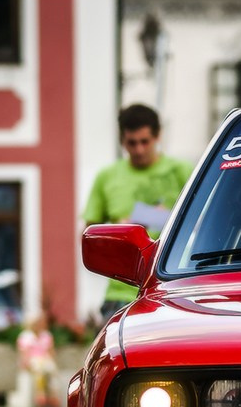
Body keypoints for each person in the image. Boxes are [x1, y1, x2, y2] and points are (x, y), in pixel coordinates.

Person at [81, 103, 194, 320]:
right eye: (132, 143)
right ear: (122, 140)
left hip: (174, 288)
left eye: (145, 142)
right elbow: (89, 235)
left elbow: (203, 224)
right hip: (120, 293)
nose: (139, 150)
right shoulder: (107, 177)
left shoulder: (183, 172)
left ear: (158, 136)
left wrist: (157, 218)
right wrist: (118, 230)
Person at [16, 310, 59, 407]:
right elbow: (24, 353)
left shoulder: (46, 335)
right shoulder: (25, 336)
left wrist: (53, 361)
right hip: (32, 359)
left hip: (45, 358)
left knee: (50, 369)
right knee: (39, 368)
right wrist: (24, 363)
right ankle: (41, 394)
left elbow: (51, 351)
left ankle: (53, 394)